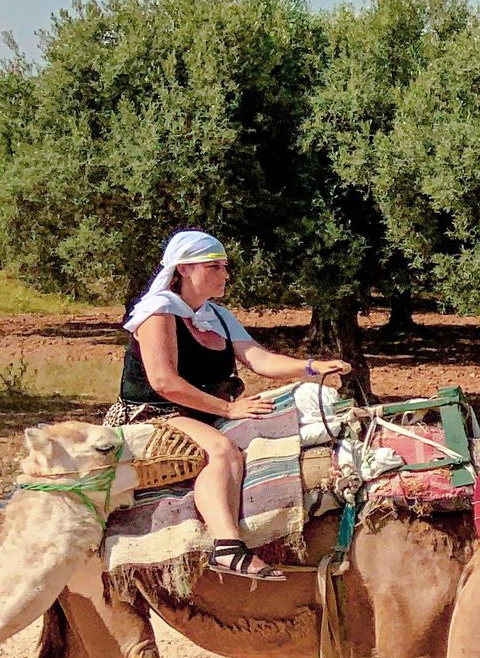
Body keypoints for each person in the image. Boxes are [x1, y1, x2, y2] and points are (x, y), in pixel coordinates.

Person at [112, 230, 351, 582]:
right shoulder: (158, 313)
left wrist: (312, 367)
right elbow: (164, 383)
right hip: (154, 413)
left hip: (203, 411)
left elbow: (259, 359)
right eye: (215, 267)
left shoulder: (218, 317)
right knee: (222, 451)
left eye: (224, 267)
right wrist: (227, 411)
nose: (225, 275)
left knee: (282, 416)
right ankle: (227, 547)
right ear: (185, 269)